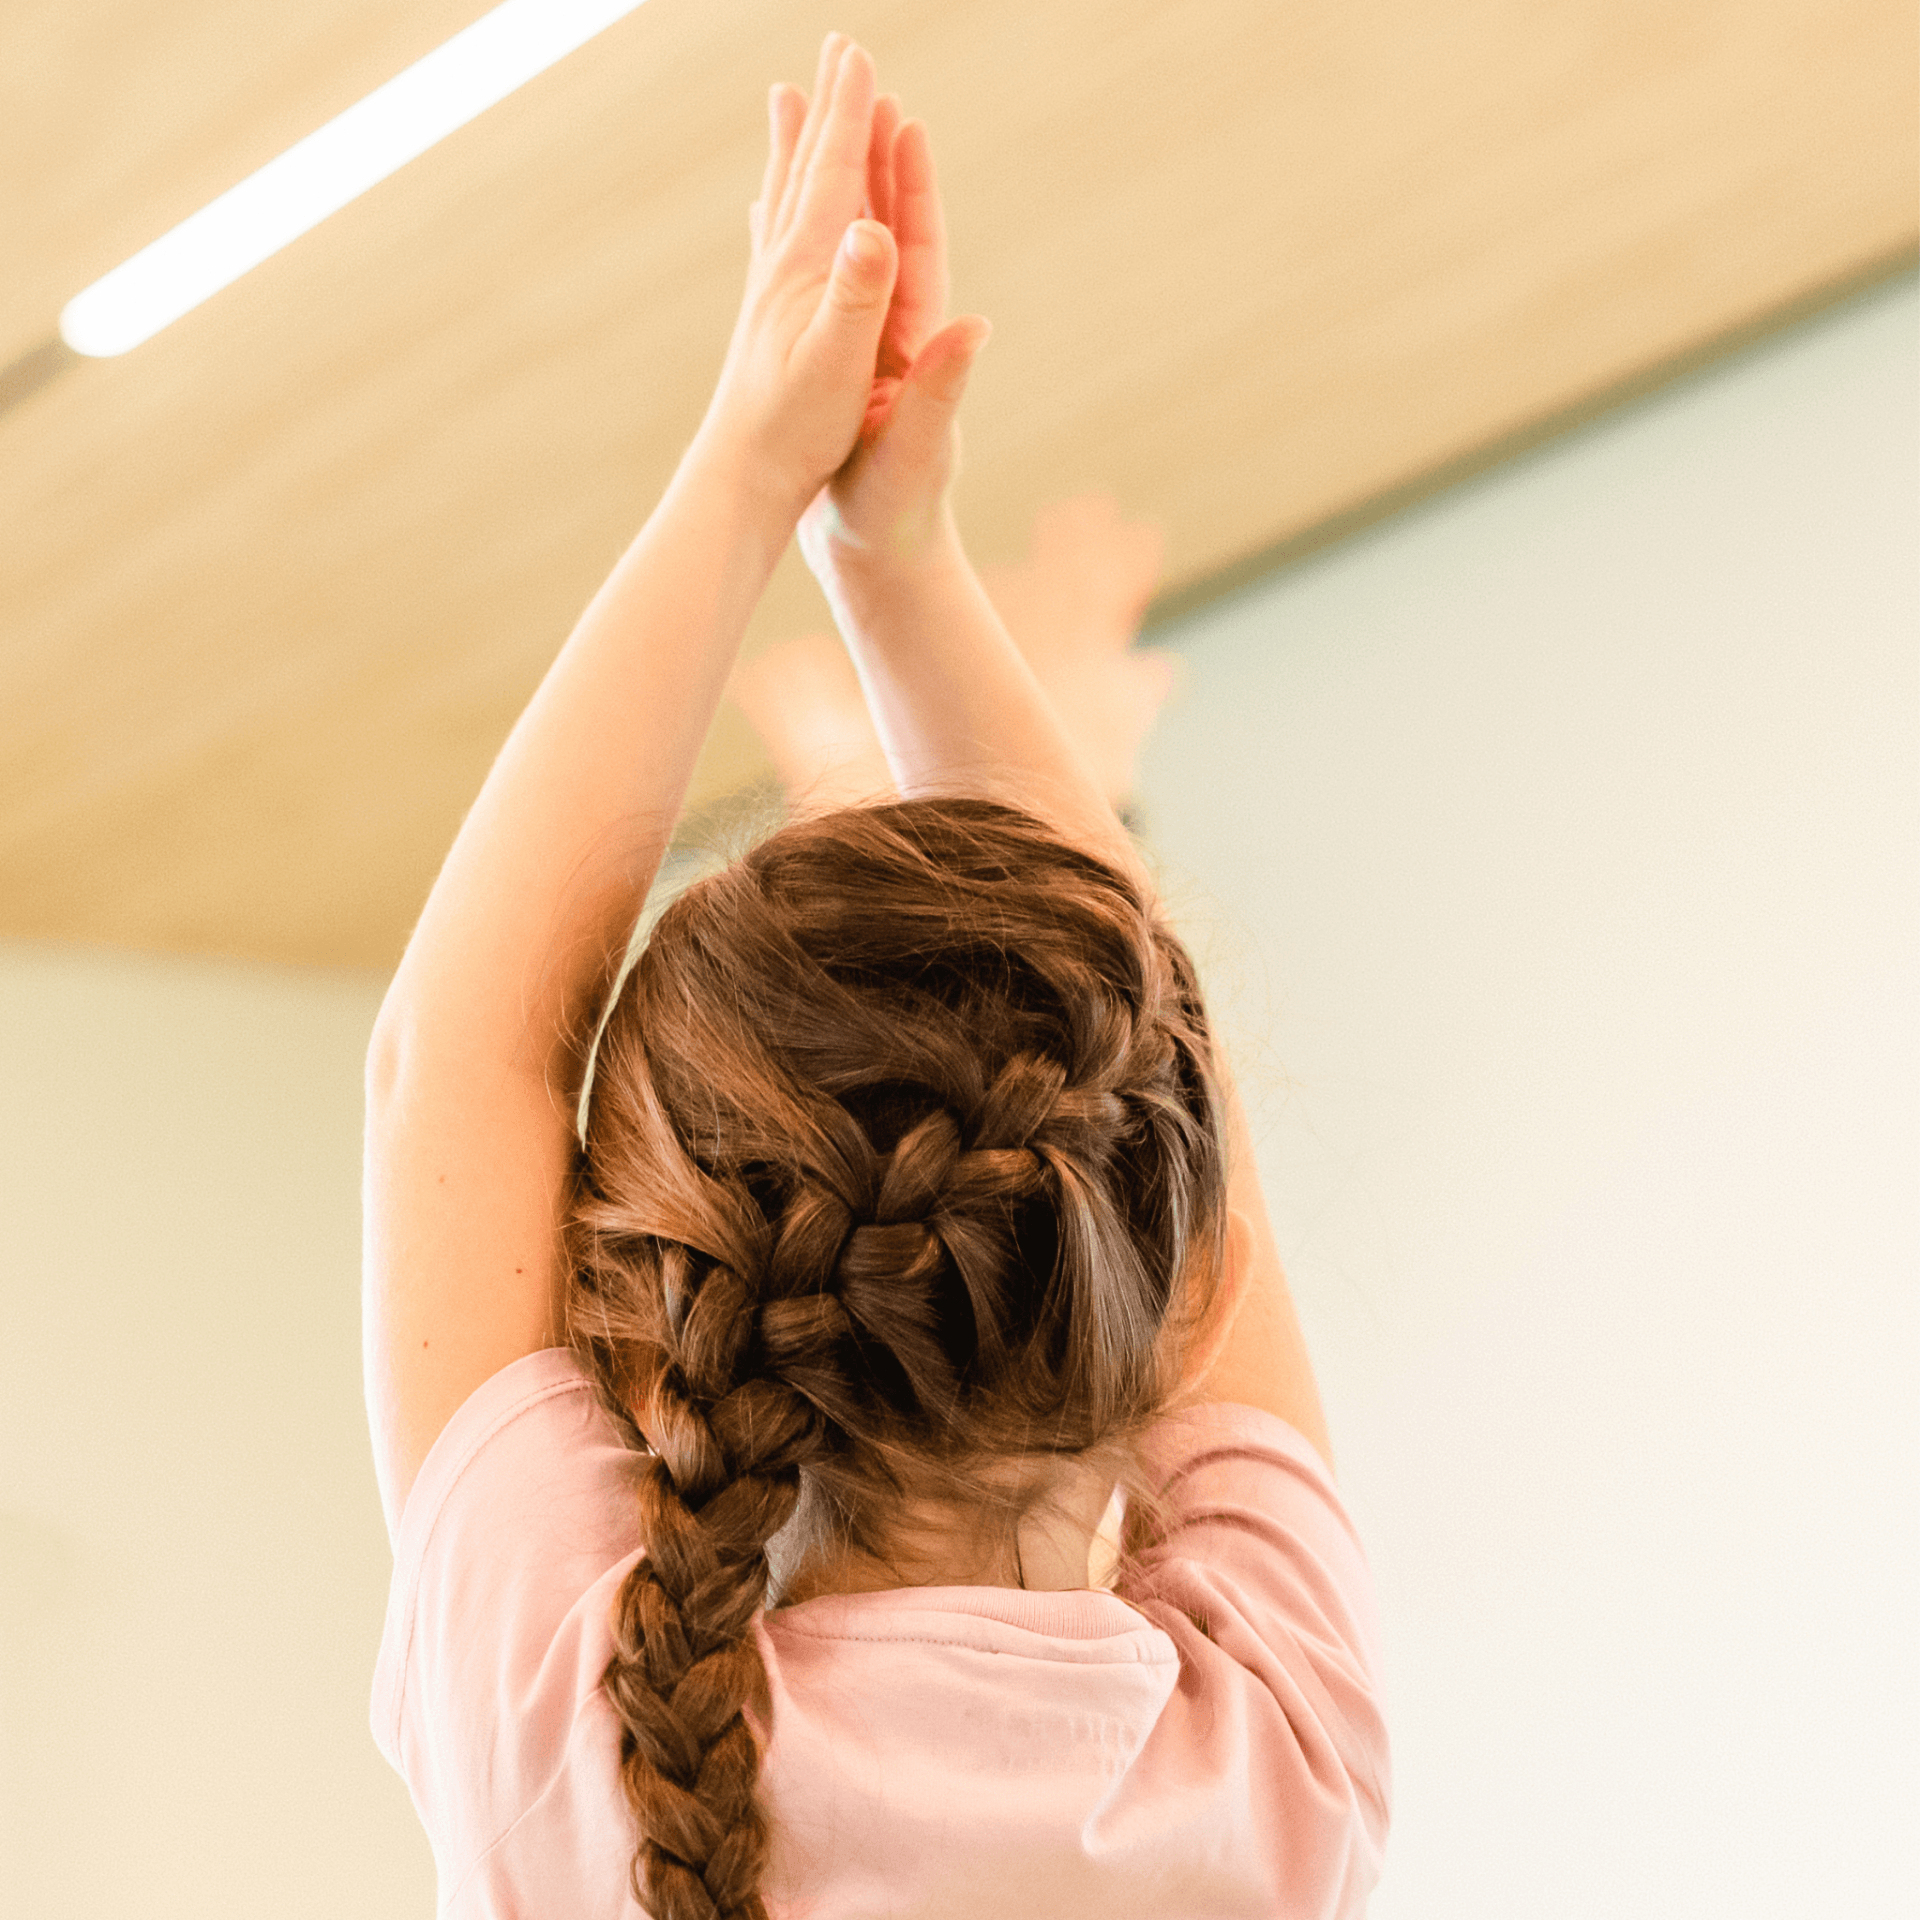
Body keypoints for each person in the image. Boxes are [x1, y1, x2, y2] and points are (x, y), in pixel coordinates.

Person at [363, 32, 1391, 1919]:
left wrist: (753, 479)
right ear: (1175, 1291)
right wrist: (889, 552)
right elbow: (463, 1060)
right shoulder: (1272, 1775)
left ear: (632, 1311)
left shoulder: (575, 1751)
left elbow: (460, 1059)